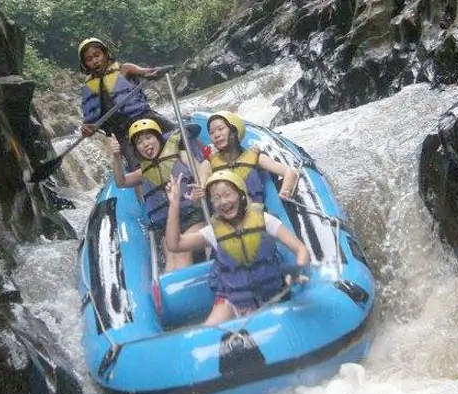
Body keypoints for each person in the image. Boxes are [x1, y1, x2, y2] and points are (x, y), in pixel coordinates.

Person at [165, 170, 310, 325]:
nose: (223, 202)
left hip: (272, 293)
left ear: (241, 195)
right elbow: (175, 244)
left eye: (228, 194)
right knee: (209, 330)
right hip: (234, 300)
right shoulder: (213, 232)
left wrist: (298, 270)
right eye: (216, 198)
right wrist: (174, 204)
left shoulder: (264, 220)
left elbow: (301, 250)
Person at [108, 119, 206, 272]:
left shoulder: (181, 155)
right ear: (136, 149)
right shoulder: (143, 173)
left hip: (192, 215)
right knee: (172, 257)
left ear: (159, 139)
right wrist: (116, 156)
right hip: (167, 224)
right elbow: (121, 182)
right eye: (140, 142)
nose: (145, 144)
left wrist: (200, 188)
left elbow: (202, 168)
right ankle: (172, 292)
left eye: (149, 138)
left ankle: (185, 291)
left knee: (183, 250)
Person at [78, 37, 176, 170]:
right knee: (137, 168)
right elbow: (89, 123)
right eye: (89, 59)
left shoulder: (125, 69)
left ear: (106, 54)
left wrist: (157, 72)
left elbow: (147, 71)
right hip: (122, 134)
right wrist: (86, 129)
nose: (95, 61)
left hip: (145, 118)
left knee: (179, 135)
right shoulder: (88, 88)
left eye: (97, 55)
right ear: (85, 65)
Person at [199, 110, 299, 203]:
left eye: (221, 129)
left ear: (234, 131)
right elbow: (200, 199)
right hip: (226, 214)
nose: (216, 135)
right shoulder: (208, 164)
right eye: (211, 132)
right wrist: (196, 197)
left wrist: (285, 191)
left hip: (253, 212)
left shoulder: (255, 157)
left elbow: (290, 173)